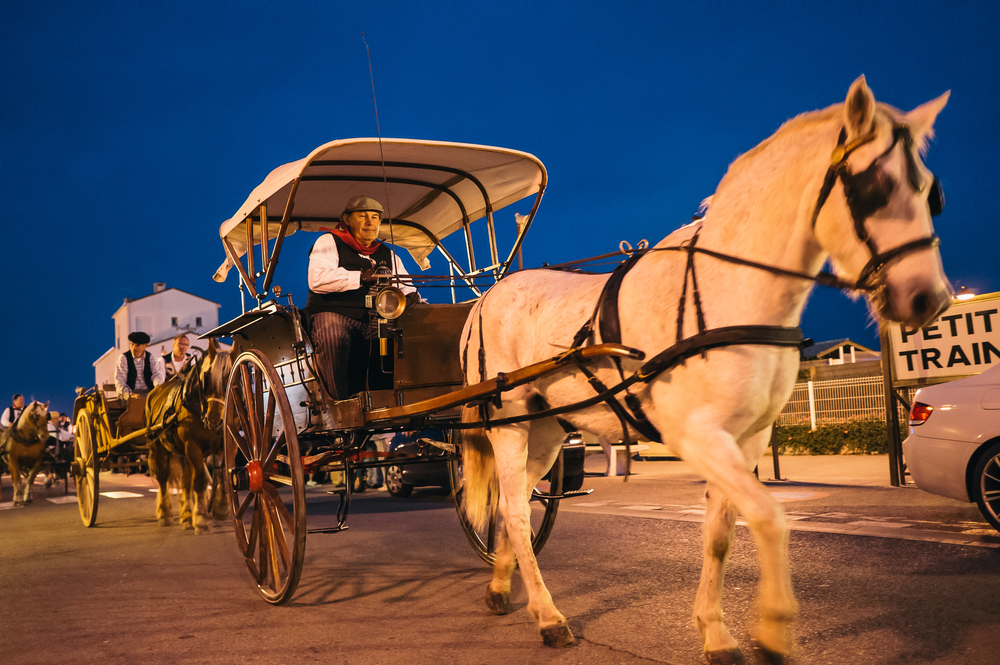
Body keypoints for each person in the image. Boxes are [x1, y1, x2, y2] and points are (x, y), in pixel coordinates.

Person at [305, 195, 420, 401]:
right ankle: (336, 405)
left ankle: (393, 399)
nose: (369, 222)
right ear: (346, 220)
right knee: (333, 334)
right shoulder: (329, 241)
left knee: (406, 332)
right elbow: (317, 279)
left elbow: (405, 285)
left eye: (375, 217)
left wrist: (411, 296)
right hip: (334, 313)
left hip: (375, 319)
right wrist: (359, 276)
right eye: (362, 216)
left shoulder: (386, 252)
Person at [114, 332, 166, 398]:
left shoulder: (151, 358)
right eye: (132, 344)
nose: (133, 348)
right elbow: (120, 381)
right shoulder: (123, 358)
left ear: (145, 346)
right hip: (128, 397)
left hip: (148, 395)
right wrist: (131, 394)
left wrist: (157, 386)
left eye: (137, 345)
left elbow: (156, 375)